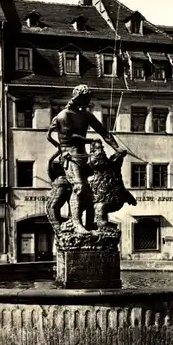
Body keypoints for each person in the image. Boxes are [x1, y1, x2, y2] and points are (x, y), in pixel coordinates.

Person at [47, 85, 125, 235]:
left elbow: (104, 132)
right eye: (86, 98)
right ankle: (76, 224)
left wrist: (117, 148)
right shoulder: (64, 115)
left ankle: (91, 222)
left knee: (93, 188)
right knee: (80, 187)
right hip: (70, 156)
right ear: (78, 98)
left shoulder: (87, 115)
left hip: (84, 156)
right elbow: (71, 137)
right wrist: (90, 140)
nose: (88, 101)